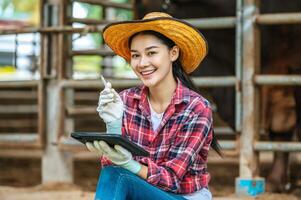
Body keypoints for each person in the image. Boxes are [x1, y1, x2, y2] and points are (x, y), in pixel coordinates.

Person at [85, 12, 221, 200]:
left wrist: (130, 164)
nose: (142, 63)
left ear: (173, 53)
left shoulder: (196, 108)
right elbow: (113, 167)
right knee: (112, 174)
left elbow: (172, 179)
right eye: (135, 55)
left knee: (117, 176)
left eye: (151, 53)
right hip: (142, 193)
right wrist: (113, 127)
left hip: (183, 197)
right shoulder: (124, 101)